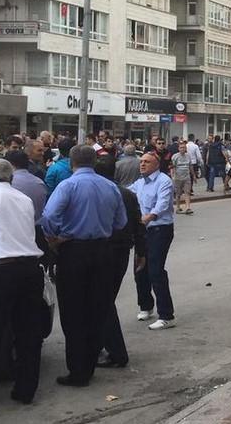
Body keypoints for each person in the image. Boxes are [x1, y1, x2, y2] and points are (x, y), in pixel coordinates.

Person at [41, 145, 127, 387]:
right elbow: (120, 222)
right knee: (98, 309)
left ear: (72, 163)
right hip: (102, 251)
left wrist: (54, 238)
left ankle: (78, 370)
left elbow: (48, 216)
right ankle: (89, 364)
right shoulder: (110, 186)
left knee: (73, 312)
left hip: (74, 251)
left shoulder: (68, 185)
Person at [0, 159, 46, 405]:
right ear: (11, 178)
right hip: (29, 270)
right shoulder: (24, 199)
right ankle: (25, 390)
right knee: (29, 334)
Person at [94, 157, 145, 368]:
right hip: (122, 251)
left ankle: (116, 352)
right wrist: (141, 252)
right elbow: (138, 225)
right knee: (105, 299)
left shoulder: (100, 193)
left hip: (104, 249)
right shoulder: (127, 194)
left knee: (102, 301)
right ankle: (100, 346)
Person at [130, 153, 176, 330]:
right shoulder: (139, 182)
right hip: (143, 231)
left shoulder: (164, 181)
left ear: (156, 165)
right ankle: (146, 306)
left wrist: (149, 217)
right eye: (141, 161)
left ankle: (166, 315)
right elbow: (127, 193)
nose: (142, 164)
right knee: (140, 269)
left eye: (146, 162)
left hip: (159, 229)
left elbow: (162, 204)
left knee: (156, 270)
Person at [171, 142, 194, 215]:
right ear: (178, 149)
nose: (182, 149)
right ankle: (178, 207)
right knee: (178, 194)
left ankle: (188, 207)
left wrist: (194, 176)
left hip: (187, 177)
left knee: (187, 192)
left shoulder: (188, 156)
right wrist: (173, 176)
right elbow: (172, 167)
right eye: (181, 148)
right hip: (177, 178)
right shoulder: (175, 156)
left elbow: (190, 166)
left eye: (184, 148)